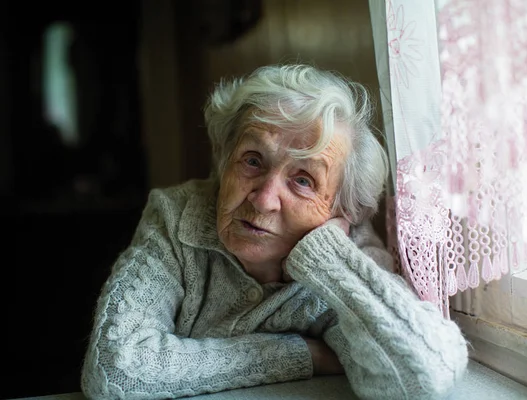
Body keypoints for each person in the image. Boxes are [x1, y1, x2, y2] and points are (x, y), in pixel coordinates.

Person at [81, 64, 468, 399]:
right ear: (224, 160)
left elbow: (426, 373)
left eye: (303, 180)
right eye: (252, 160)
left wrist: (327, 257)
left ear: (341, 211)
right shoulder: (176, 217)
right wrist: (303, 355)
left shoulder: (346, 260)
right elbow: (115, 368)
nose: (264, 199)